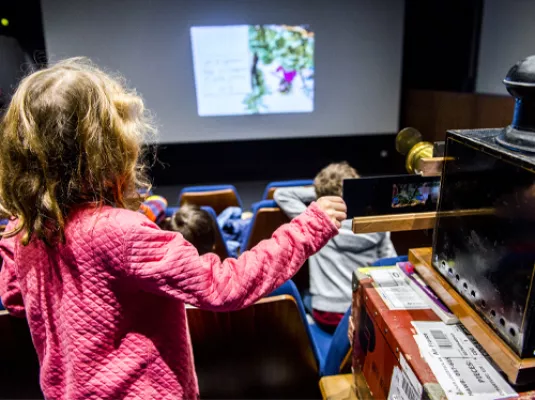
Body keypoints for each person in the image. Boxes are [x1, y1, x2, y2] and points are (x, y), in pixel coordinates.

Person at [0, 58, 347, 400]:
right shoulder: (118, 232)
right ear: (106, 144)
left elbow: (16, 300)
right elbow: (225, 286)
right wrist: (309, 227)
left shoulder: (24, 229)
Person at [274, 162, 397, 333]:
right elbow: (389, 263)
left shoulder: (318, 223)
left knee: (303, 294)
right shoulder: (379, 224)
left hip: (327, 315)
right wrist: (349, 193)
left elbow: (282, 195)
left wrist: (323, 193)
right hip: (362, 312)